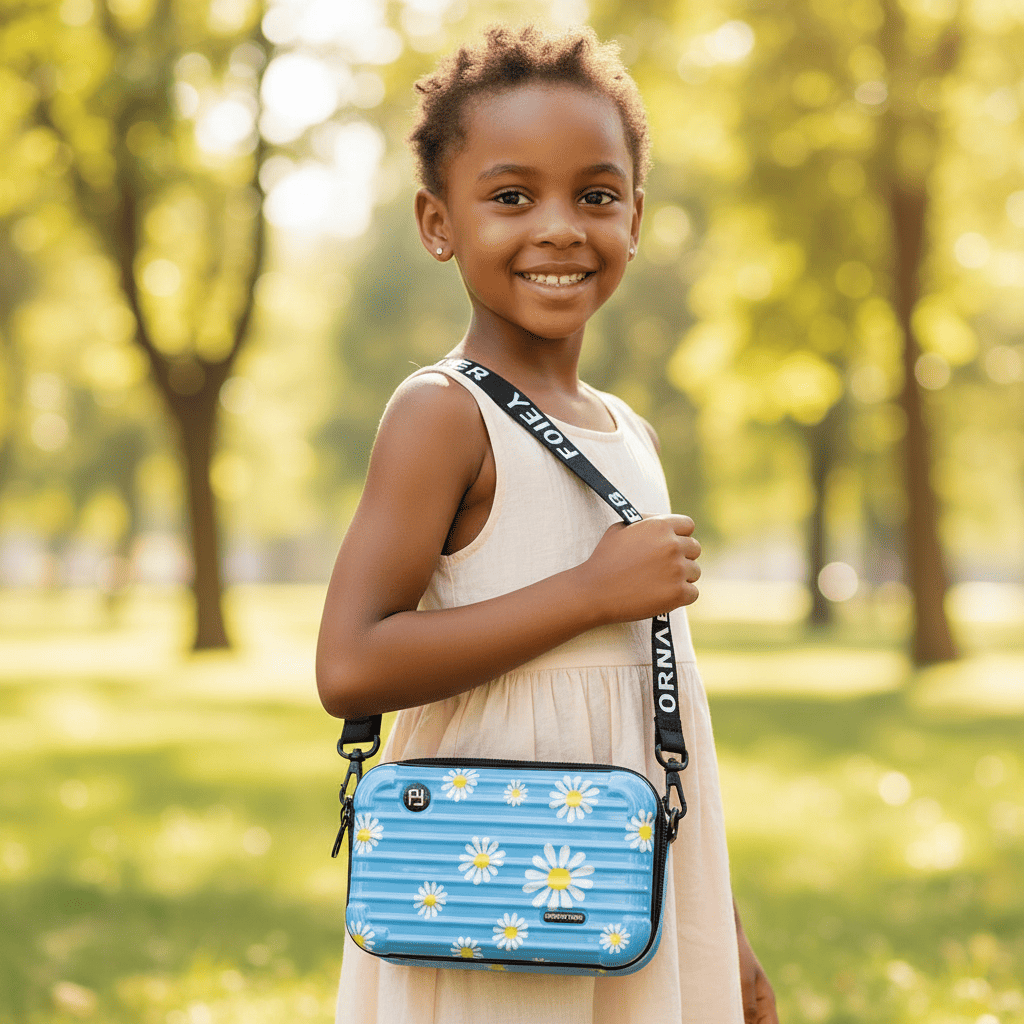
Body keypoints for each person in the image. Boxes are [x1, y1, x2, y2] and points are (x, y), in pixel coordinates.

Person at [316, 23, 778, 1024]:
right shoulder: (442, 413)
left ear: (637, 217)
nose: (562, 227)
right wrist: (588, 593)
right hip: (489, 888)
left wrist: (723, 931)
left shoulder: (629, 433)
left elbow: (664, 730)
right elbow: (349, 666)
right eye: (512, 197)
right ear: (438, 223)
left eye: (597, 196)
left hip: (628, 886)